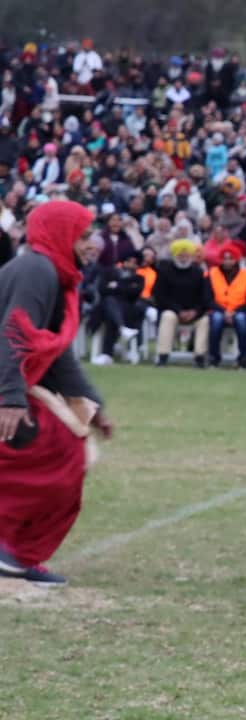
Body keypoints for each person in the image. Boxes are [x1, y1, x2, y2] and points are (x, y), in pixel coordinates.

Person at [0, 200, 113, 586]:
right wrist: (11, 398)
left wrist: (91, 405)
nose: (91, 244)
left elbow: (54, 349)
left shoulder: (53, 273)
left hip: (14, 381)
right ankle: (10, 551)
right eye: (82, 236)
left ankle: (10, 549)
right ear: (60, 234)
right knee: (57, 456)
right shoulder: (36, 269)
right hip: (9, 383)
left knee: (62, 453)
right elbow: (12, 332)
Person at [153, 239, 210, 368]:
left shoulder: (198, 273)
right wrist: (178, 311)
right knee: (167, 316)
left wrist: (195, 311)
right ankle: (163, 356)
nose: (184, 258)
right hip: (173, 311)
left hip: (194, 313)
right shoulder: (165, 271)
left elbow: (205, 298)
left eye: (186, 255)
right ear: (175, 255)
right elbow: (160, 297)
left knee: (205, 320)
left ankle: (199, 357)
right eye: (180, 255)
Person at [205, 247, 246, 368]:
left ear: (236, 260)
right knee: (216, 320)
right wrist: (224, 311)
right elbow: (207, 298)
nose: (227, 261)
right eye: (224, 258)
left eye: (230, 258)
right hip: (218, 309)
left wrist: (234, 312)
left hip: (240, 310)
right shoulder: (211, 273)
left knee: (241, 320)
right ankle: (214, 358)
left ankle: (242, 359)